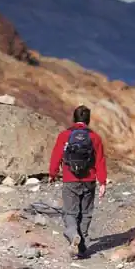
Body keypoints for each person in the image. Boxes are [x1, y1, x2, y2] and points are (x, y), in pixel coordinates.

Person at [48, 105, 107, 258]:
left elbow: (56, 156)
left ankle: (73, 234)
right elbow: (100, 161)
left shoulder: (64, 135)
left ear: (74, 118)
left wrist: (52, 173)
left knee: (70, 212)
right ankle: (81, 248)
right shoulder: (95, 137)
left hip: (70, 179)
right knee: (86, 213)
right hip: (89, 179)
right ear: (88, 120)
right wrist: (103, 182)